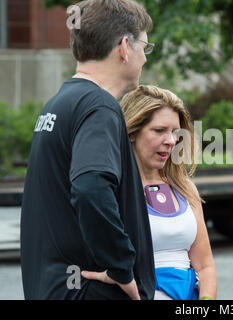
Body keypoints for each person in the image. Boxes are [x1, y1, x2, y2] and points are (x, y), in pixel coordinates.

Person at [20, 0, 155, 300]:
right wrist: (122, 267)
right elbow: (90, 187)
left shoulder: (59, 103)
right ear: (124, 47)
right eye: (144, 47)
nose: (144, 59)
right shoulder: (99, 107)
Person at [120, 85, 217, 300]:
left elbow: (205, 266)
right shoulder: (115, 189)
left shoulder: (184, 187)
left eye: (175, 132)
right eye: (159, 130)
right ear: (132, 131)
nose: (171, 140)